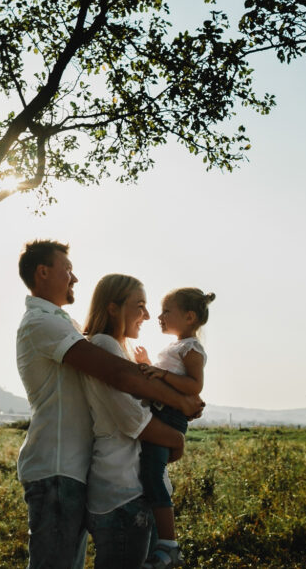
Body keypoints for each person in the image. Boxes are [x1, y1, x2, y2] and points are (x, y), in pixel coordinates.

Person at [16, 241, 203, 569]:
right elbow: (117, 375)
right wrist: (181, 402)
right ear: (43, 272)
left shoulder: (67, 325)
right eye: (67, 270)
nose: (74, 278)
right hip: (57, 466)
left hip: (75, 468)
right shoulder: (41, 323)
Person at [79, 274, 187, 569]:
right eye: (140, 306)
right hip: (121, 491)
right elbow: (131, 419)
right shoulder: (103, 345)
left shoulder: (118, 348)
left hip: (131, 489)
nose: (148, 315)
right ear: (113, 308)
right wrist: (176, 439)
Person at [137, 288, 214, 569]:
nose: (159, 316)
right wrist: (148, 365)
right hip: (162, 411)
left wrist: (162, 373)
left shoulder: (190, 348)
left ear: (189, 316)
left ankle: (168, 545)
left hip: (170, 416)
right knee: (149, 468)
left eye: (166, 311)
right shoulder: (174, 347)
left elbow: (195, 386)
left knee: (153, 474)